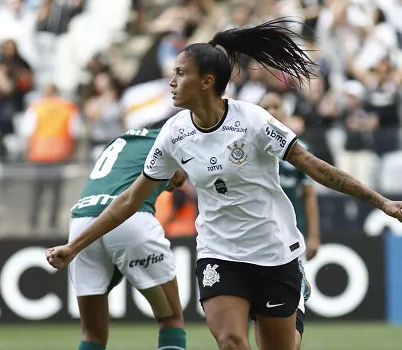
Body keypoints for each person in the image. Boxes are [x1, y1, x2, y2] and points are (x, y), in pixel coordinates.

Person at [46, 18, 402, 350]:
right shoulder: (173, 133)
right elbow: (129, 200)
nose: (171, 82)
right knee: (231, 341)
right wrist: (74, 247)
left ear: (207, 82)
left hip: (274, 252)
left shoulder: (253, 120)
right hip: (220, 253)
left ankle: (298, 304)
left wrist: (382, 202)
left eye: (180, 74)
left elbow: (316, 168)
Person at [68, 122, 187, 350]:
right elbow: (181, 175)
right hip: (130, 219)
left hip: (81, 222)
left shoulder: (123, 141)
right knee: (171, 320)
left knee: (91, 335)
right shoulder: (171, 139)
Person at [257, 92, 322, 350]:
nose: (272, 110)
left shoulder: (299, 150)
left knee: (289, 326)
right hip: (256, 242)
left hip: (290, 241)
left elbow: (308, 196)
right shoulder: (251, 148)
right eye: (266, 107)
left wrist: (314, 235)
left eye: (277, 105)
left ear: (285, 110)